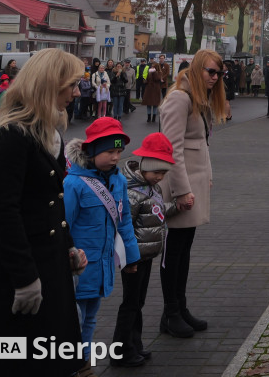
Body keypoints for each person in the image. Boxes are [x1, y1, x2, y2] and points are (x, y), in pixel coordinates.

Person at [0, 48, 93, 377]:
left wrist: (67, 248)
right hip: (13, 271)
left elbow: (53, 200)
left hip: (47, 264)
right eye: (72, 85)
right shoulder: (10, 135)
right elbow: (2, 212)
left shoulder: (49, 134)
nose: (77, 93)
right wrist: (24, 279)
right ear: (50, 84)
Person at [158, 49, 229, 339]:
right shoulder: (180, 98)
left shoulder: (197, 98)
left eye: (219, 73)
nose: (215, 78)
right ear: (198, 69)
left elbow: (202, 144)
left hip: (194, 184)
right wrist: (182, 191)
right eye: (211, 71)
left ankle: (180, 307)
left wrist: (207, 177)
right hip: (181, 187)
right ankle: (170, 312)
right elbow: (171, 149)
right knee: (173, 252)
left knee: (184, 250)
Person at [64, 117, 141, 347]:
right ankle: (74, 361)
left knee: (90, 319)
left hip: (102, 267)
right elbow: (64, 226)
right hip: (79, 267)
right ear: (92, 151)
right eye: (109, 152)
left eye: (119, 151)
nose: (116, 157)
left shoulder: (119, 180)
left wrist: (131, 257)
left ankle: (85, 360)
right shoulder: (74, 184)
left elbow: (124, 221)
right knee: (74, 321)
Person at [111, 133, 177, 368]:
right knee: (130, 303)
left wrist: (175, 207)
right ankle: (121, 350)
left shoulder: (152, 188)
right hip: (134, 257)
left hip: (146, 254)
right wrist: (129, 258)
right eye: (157, 172)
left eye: (163, 173)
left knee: (138, 302)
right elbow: (124, 225)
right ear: (145, 166)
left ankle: (134, 343)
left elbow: (155, 212)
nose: (160, 177)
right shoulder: (132, 192)